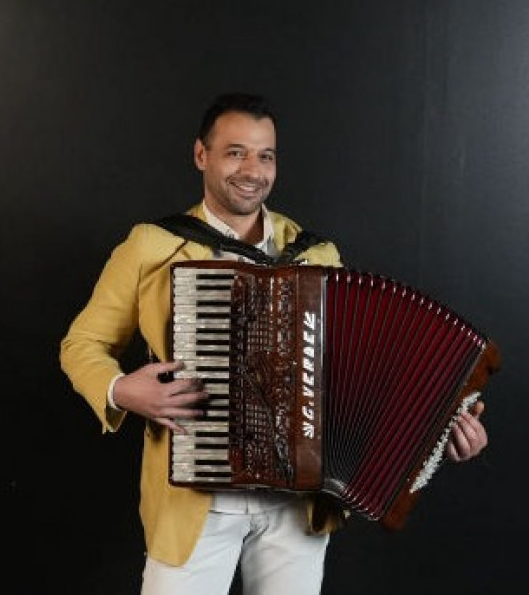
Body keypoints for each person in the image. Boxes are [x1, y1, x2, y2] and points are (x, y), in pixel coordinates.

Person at [60, 92, 488, 595]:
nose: (253, 170)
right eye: (235, 152)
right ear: (201, 155)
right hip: (195, 501)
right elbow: (81, 344)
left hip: (297, 506)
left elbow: (362, 374)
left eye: (266, 155)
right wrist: (122, 390)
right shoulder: (152, 245)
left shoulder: (316, 255)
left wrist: (439, 431)